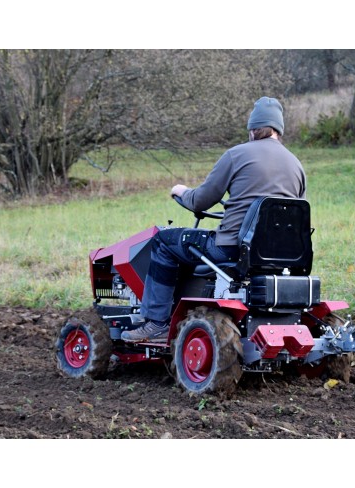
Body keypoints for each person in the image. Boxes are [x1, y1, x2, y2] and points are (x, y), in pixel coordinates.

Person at [122, 96, 307, 342]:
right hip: (281, 258)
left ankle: (156, 322)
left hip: (231, 249)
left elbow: (200, 201)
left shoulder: (237, 155)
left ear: (253, 129)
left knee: (164, 241)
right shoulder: (297, 165)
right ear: (279, 130)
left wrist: (181, 191)